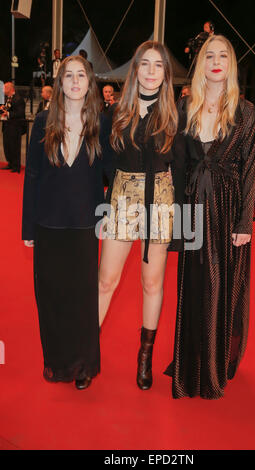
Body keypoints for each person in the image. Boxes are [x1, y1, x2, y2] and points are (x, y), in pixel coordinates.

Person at [165, 35, 255, 399]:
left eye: (223, 56)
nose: (216, 61)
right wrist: (176, 221)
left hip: (226, 207)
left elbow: (250, 168)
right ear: (201, 63)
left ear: (231, 64)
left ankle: (213, 367)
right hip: (191, 205)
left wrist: (244, 223)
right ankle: (189, 363)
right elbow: (177, 165)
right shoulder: (186, 105)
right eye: (209, 56)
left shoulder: (246, 111)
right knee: (191, 285)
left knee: (220, 286)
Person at [98, 41, 186, 391]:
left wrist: (181, 225)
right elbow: (104, 163)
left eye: (158, 65)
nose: (151, 71)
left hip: (161, 200)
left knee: (151, 283)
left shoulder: (177, 116)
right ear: (134, 71)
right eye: (144, 64)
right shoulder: (116, 112)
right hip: (121, 197)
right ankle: (88, 351)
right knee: (106, 280)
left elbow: (180, 169)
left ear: (166, 74)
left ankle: (144, 357)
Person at [22, 55, 112, 390]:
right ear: (60, 84)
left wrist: (109, 215)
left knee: (82, 298)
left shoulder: (101, 124)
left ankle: (84, 365)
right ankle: (57, 362)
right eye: (68, 76)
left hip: (85, 226)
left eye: (81, 76)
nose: (75, 81)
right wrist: (28, 227)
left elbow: (113, 173)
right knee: (50, 296)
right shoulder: (44, 120)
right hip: (48, 224)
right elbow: (32, 175)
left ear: (90, 83)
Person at [0, 82, 25, 173]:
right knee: (7, 146)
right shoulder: (7, 98)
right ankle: (10, 163)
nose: (3, 90)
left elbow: (20, 113)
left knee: (14, 146)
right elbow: (4, 110)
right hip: (7, 126)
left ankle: (16, 166)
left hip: (15, 126)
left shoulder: (18, 99)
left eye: (5, 88)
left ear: (10, 88)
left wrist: (8, 113)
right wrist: (2, 109)